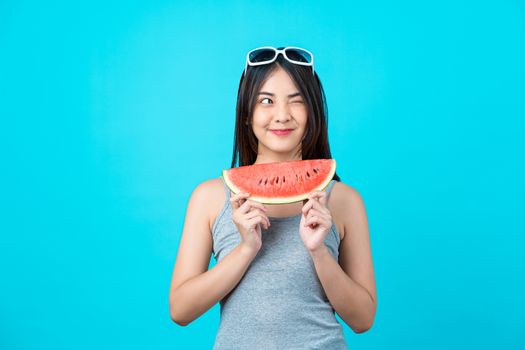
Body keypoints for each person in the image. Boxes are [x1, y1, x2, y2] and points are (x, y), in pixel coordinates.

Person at [169, 46, 377, 349]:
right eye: (266, 101)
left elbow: (363, 319)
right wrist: (246, 249)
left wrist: (319, 252)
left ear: (313, 114)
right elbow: (180, 310)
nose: (282, 115)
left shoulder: (344, 200)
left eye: (298, 101)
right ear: (246, 115)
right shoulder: (209, 198)